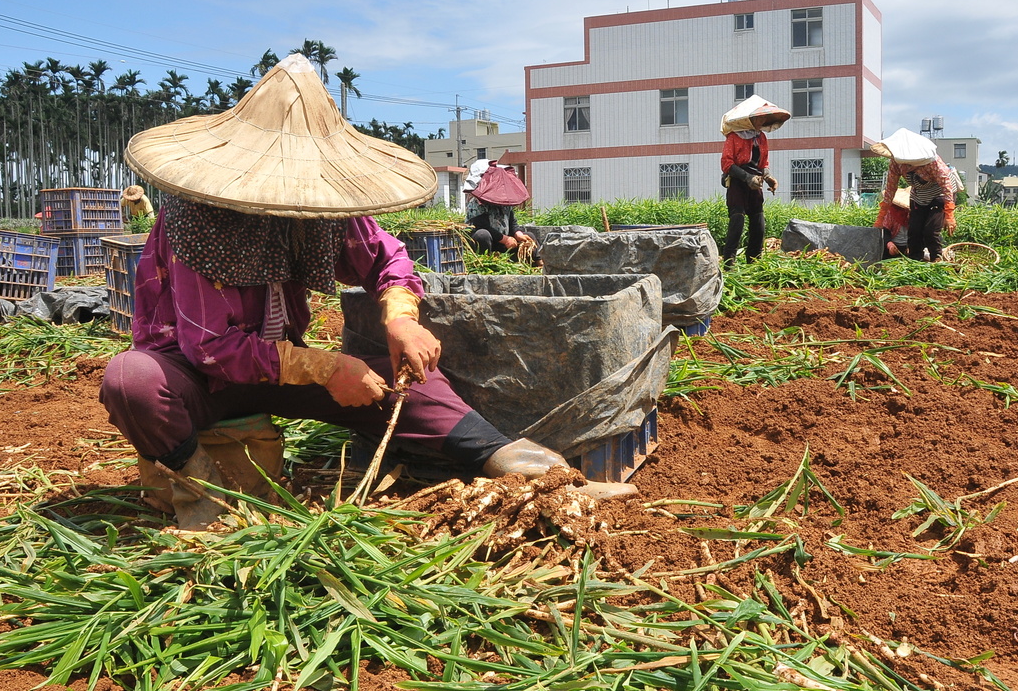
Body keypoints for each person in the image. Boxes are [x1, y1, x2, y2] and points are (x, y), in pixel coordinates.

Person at [102, 54, 634, 530]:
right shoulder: (195, 220)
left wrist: (400, 317)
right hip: (194, 378)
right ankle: (203, 495)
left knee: (406, 385)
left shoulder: (317, 209)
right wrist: (329, 370)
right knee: (132, 381)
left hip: (277, 367)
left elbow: (389, 258)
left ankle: (531, 472)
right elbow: (211, 349)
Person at [719, 95, 790, 265]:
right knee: (737, 220)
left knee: (758, 223)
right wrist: (747, 177)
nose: (763, 121)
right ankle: (729, 262)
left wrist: (768, 178)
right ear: (750, 119)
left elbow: (763, 162)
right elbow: (726, 163)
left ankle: (754, 261)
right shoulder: (734, 137)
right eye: (760, 118)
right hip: (737, 182)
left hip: (755, 183)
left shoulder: (761, 138)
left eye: (765, 118)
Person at [873, 128, 958, 262]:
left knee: (931, 231)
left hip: (939, 194)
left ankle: (937, 259)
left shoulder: (933, 162)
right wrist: (881, 217)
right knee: (914, 230)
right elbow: (890, 189)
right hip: (918, 195)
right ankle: (915, 260)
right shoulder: (896, 163)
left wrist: (949, 215)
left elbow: (947, 187)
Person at [463, 160, 536, 258]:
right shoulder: (476, 204)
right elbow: (482, 226)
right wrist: (504, 239)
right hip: (485, 243)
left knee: (529, 236)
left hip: (502, 242)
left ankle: (539, 264)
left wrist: (517, 233)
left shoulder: (505, 202)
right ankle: (485, 261)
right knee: (482, 235)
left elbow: (512, 222)